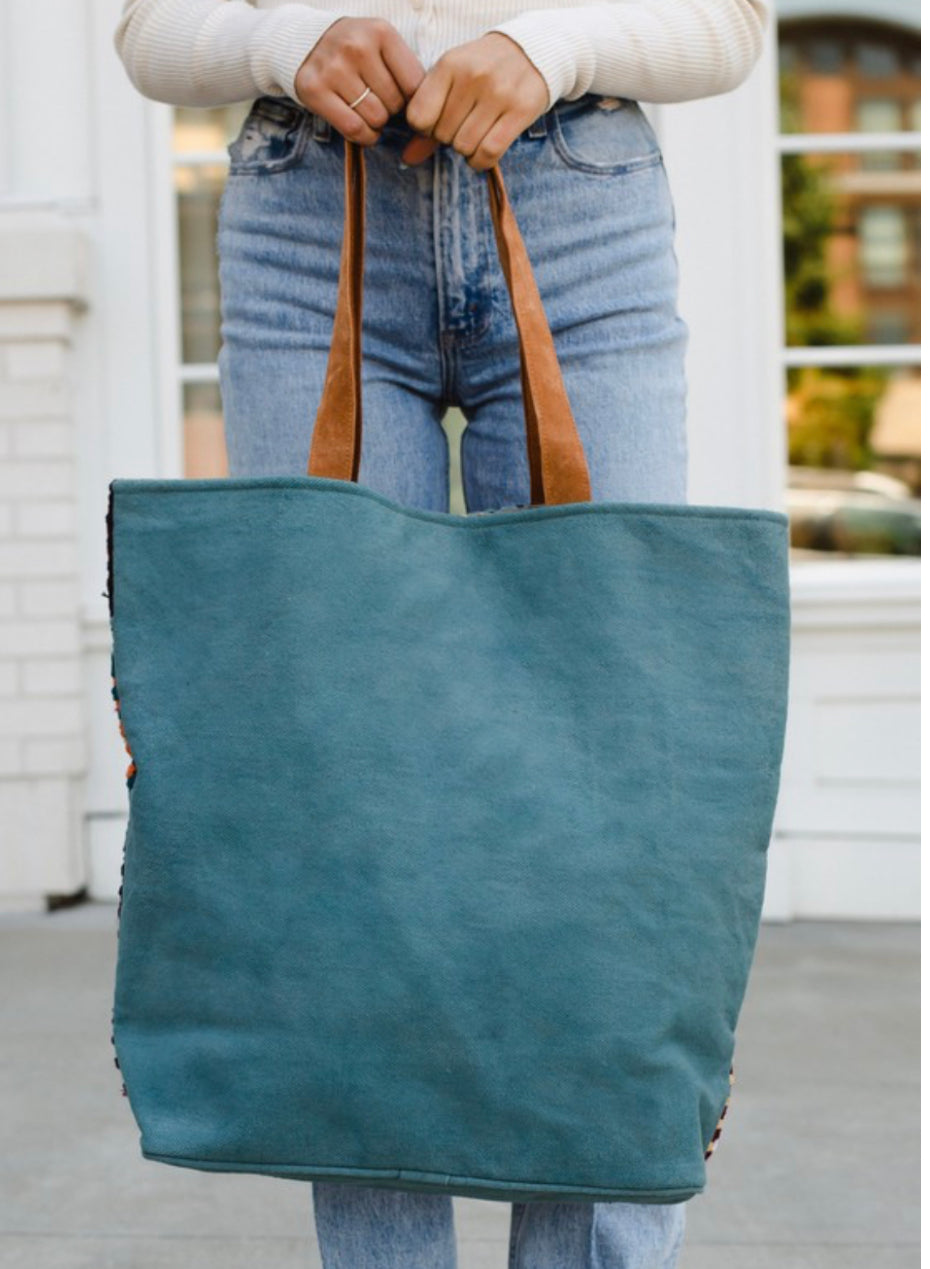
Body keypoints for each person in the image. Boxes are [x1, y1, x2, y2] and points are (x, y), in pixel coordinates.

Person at [113, 2, 769, 1265]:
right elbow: (150, 30)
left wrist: (552, 47)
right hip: (307, 204)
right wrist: (286, 39)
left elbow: (729, 22)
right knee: (339, 798)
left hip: (583, 195)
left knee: (613, 784)